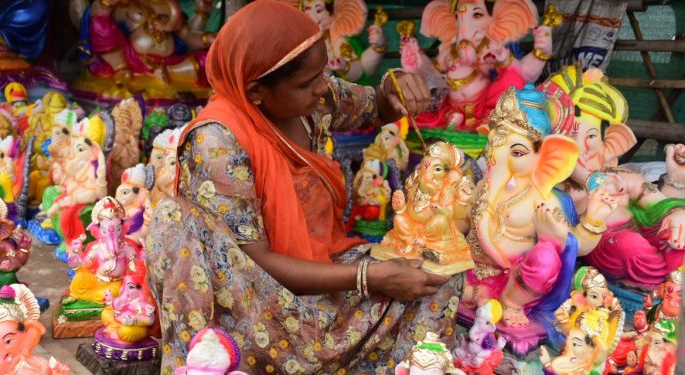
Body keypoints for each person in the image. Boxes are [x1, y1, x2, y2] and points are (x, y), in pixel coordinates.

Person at [145, 1, 461, 373]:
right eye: (306, 83)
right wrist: (369, 276)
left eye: (322, 74)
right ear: (256, 90)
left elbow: (378, 105)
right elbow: (258, 263)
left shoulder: (314, 101)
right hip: (256, 312)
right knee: (173, 220)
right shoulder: (217, 141)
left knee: (439, 269)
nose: (322, 88)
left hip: (325, 279)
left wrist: (396, 84)